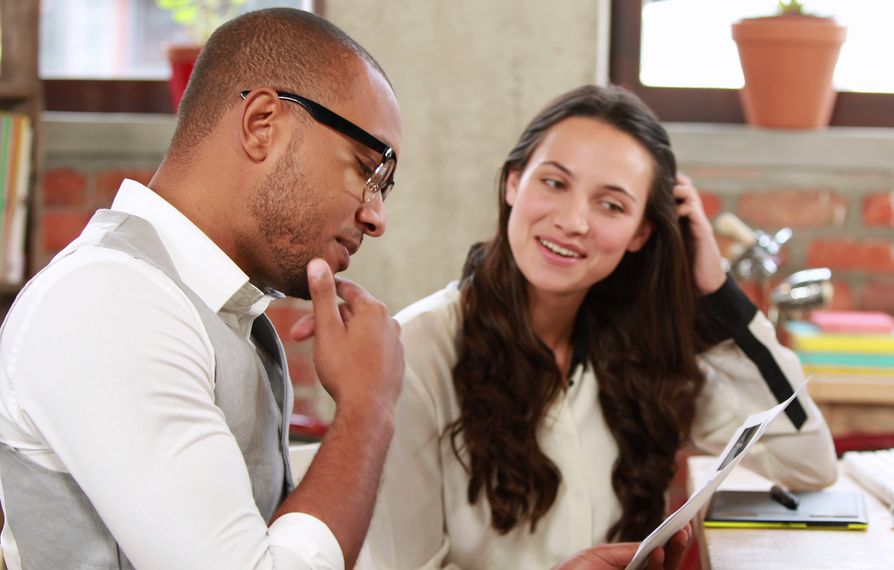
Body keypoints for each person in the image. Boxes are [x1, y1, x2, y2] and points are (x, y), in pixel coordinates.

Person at [0, 8, 687, 570]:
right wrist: (367, 408)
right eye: (367, 168)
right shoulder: (111, 303)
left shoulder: (214, 312)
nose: (376, 215)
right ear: (263, 123)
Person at [361, 85, 839, 570]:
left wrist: (719, 296)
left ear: (640, 234)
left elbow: (808, 459)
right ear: (512, 183)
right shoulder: (417, 350)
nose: (572, 221)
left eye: (611, 205)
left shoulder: (641, 353)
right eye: (554, 183)